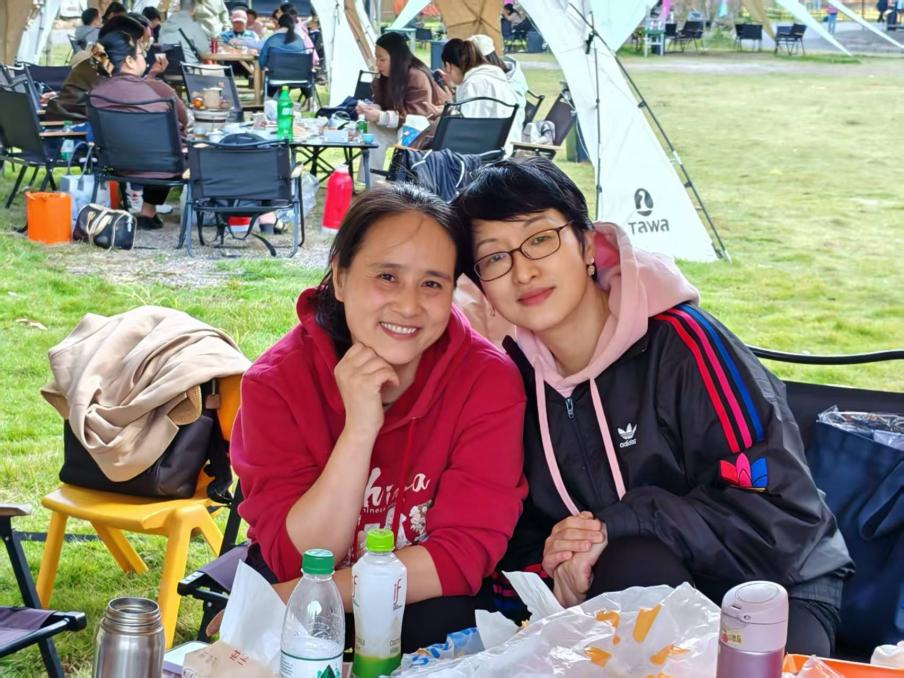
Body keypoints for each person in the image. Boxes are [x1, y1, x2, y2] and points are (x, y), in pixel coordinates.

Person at [452, 157, 854, 657]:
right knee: (630, 567)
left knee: (632, 558)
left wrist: (619, 523)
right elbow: (519, 531)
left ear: (587, 245)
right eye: (495, 257)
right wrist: (560, 565)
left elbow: (779, 514)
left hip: (770, 584)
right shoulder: (511, 380)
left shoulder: (685, 346)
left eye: (540, 239)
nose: (524, 270)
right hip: (627, 590)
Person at [231, 184, 527, 652]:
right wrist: (360, 429)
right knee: (295, 633)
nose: (408, 305)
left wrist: (291, 597)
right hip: (307, 593)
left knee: (446, 619)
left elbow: (462, 555)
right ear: (340, 276)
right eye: (387, 276)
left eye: (432, 283)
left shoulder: (486, 380)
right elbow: (300, 560)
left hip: (416, 599)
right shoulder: (277, 382)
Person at [89, 30, 191, 230]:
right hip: (166, 166)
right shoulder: (159, 90)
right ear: (129, 60)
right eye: (141, 53)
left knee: (153, 145)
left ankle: (148, 213)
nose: (144, 56)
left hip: (117, 164)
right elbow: (184, 120)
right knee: (181, 148)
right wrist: (152, 79)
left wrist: (150, 76)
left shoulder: (96, 94)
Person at [355, 31, 449, 169]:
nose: (377, 63)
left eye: (382, 60)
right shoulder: (386, 77)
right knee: (373, 129)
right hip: (400, 124)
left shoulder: (417, 75)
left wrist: (380, 116)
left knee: (407, 129)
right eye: (377, 59)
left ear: (396, 58)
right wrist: (372, 109)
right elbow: (382, 104)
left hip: (425, 130)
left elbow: (416, 116)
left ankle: (401, 175)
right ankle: (370, 179)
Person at [46, 15, 164, 122]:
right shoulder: (107, 69)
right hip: (83, 129)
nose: (145, 49)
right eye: (141, 44)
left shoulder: (97, 60)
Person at [440, 38, 522, 154]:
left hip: (481, 154)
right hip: (503, 150)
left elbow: (466, 127)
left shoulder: (474, 84)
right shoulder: (495, 78)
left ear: (448, 66)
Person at [468, 34, 528, 122]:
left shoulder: (491, 82)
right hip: (505, 125)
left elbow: (472, 113)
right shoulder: (510, 74)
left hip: (502, 127)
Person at [158, 0, 212, 65]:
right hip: (190, 67)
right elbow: (205, 54)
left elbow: (163, 47)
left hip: (168, 68)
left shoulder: (164, 26)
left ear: (180, 6)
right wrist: (223, 56)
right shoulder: (193, 26)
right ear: (194, 9)